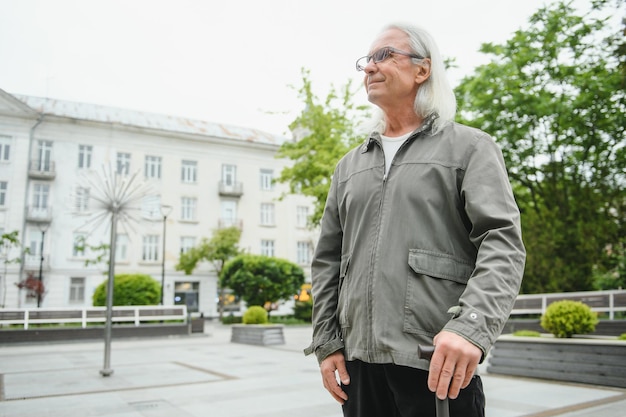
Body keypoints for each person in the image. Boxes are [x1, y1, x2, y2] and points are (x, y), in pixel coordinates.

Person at [304, 22, 526, 417]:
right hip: (358, 369)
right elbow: (327, 262)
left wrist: (470, 328)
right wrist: (327, 343)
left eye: (383, 55)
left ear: (422, 70)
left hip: (438, 362)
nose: (369, 68)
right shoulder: (349, 166)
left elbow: (502, 242)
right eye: (366, 60)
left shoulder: (470, 148)